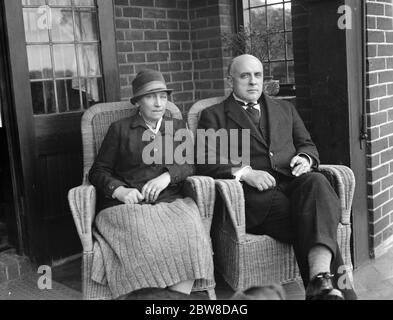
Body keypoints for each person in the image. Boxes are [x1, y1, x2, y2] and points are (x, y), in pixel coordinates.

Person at [196, 54, 357, 300]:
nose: (253, 82)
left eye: (257, 75)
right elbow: (205, 159)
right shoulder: (213, 115)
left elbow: (307, 144)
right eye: (245, 76)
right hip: (257, 200)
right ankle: (328, 285)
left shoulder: (285, 108)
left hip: (294, 185)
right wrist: (245, 173)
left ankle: (319, 283)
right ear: (231, 81)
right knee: (317, 219)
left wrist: (304, 159)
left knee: (317, 181)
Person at [88, 69, 214, 299]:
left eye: (163, 97)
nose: (158, 103)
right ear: (138, 101)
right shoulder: (120, 129)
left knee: (190, 230)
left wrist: (167, 175)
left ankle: (176, 298)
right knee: (143, 237)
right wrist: (120, 190)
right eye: (150, 97)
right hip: (127, 205)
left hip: (169, 201)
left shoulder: (176, 127)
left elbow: (190, 164)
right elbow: (98, 171)